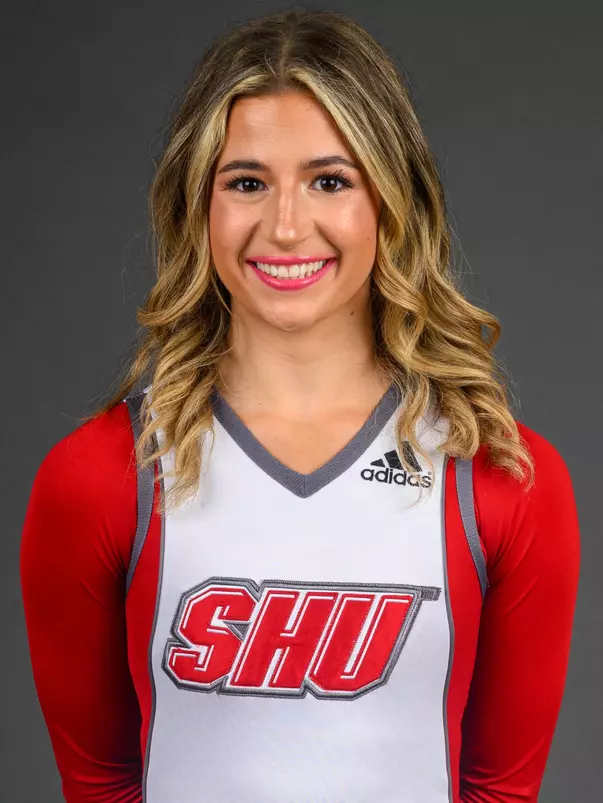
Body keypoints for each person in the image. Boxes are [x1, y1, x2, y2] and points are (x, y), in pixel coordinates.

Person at [20, 8, 580, 803]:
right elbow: (101, 784)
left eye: (329, 180)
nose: (285, 227)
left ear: (389, 201)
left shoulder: (500, 477)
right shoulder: (100, 478)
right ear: (198, 207)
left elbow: (498, 789)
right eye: (246, 182)